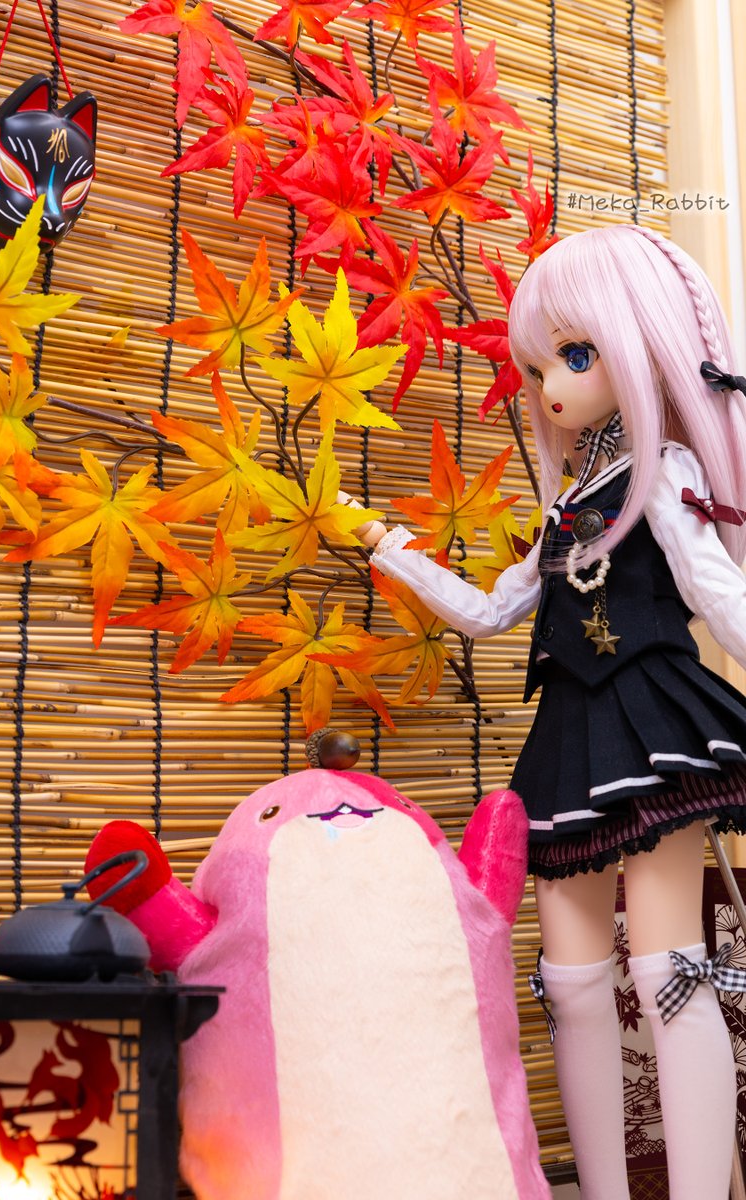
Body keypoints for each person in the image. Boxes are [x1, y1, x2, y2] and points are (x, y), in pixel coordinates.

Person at [342, 224, 746, 1199]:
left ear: (639, 345)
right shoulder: (570, 501)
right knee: (570, 983)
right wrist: (388, 546)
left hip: (652, 723)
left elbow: (717, 591)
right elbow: (493, 612)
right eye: (537, 367)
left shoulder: (666, 472)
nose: (551, 387)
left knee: (669, 969)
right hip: (567, 738)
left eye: (574, 354)